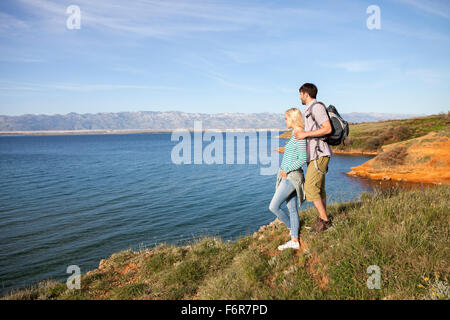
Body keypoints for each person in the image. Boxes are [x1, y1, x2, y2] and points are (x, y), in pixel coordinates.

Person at [294, 83, 333, 232]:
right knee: (319, 189)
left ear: (305, 93)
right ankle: (323, 219)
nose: (299, 97)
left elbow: (327, 128)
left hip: (320, 154)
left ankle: (325, 221)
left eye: (300, 94)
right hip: (317, 155)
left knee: (310, 188)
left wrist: (305, 134)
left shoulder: (317, 107)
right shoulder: (310, 110)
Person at [269, 108, 307, 250]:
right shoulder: (294, 134)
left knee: (273, 206)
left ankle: (291, 227)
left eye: (286, 118)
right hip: (287, 176)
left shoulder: (299, 134)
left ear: (293, 119)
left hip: (292, 177)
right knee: (291, 209)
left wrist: (287, 169)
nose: (284, 121)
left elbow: (303, 158)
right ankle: (295, 240)